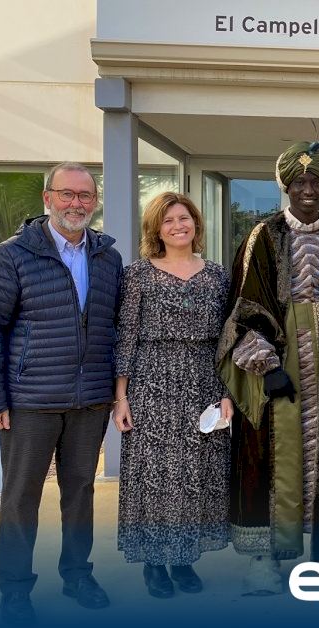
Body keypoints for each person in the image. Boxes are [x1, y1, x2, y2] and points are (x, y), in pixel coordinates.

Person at [218, 141, 319, 595]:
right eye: (299, 182)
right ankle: (266, 559)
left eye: (316, 182)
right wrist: (266, 366)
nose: (308, 190)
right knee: (271, 459)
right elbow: (243, 306)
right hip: (277, 363)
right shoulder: (263, 237)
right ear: (285, 186)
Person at [0, 162, 121, 624]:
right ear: (47, 198)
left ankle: (77, 575)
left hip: (89, 401)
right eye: (67, 194)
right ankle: (15, 589)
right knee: (20, 498)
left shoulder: (108, 257)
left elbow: (116, 328)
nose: (76, 203)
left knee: (80, 493)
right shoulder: (13, 255)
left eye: (85, 195)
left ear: (94, 201)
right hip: (29, 401)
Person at [112, 192, 231, 598]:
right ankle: (153, 562)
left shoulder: (217, 276)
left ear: (196, 223)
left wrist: (227, 392)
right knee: (154, 476)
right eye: (168, 221)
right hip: (152, 384)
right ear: (156, 230)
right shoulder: (138, 274)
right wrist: (121, 397)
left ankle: (183, 559)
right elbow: (126, 336)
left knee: (194, 475)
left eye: (184, 218)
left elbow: (228, 339)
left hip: (203, 382)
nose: (178, 226)